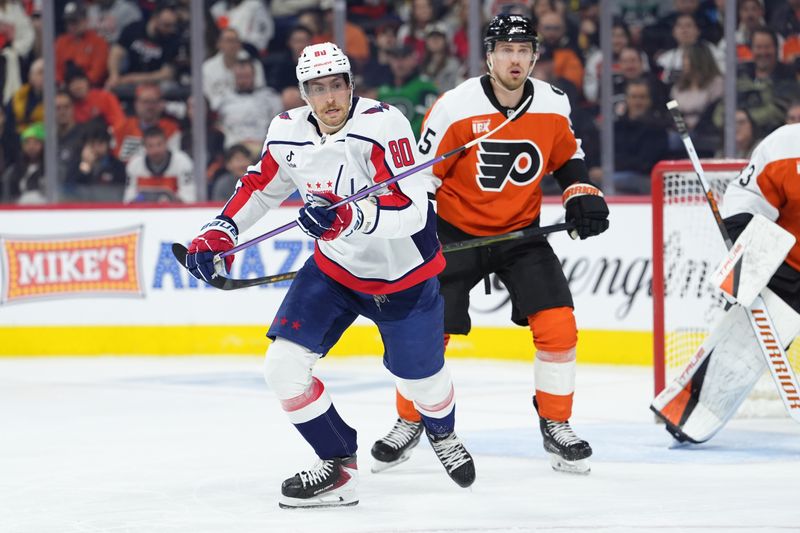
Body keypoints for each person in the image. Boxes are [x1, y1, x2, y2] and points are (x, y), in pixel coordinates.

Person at [182, 42, 475, 509]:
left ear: (350, 85)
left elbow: (412, 209)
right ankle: (338, 466)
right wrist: (221, 230)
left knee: (422, 381)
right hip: (335, 269)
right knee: (282, 369)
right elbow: (261, 185)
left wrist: (349, 218)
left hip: (404, 275)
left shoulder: (383, 124)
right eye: (317, 89)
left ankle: (442, 431)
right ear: (303, 94)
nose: (330, 98)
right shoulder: (286, 130)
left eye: (336, 85)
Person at [370, 14, 609, 476]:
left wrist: (581, 192)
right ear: (489, 56)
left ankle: (556, 423)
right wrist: (420, 239)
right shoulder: (455, 107)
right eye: (506, 50)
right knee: (425, 335)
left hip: (521, 234)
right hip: (456, 235)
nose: (515, 60)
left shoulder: (554, 104)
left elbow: (568, 157)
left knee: (558, 326)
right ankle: (409, 418)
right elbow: (423, 177)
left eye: (523, 51)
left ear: (535, 56)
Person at [652, 123, 800, 443]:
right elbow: (747, 197)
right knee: (740, 346)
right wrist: (744, 253)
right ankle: (691, 409)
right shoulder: (786, 145)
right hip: (789, 265)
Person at [123, 125, 194, 203]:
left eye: (159, 144)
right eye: (150, 146)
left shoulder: (183, 162)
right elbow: (128, 201)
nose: (156, 150)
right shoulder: (134, 165)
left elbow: (188, 200)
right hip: (143, 212)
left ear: (166, 143)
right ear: (144, 147)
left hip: (173, 213)